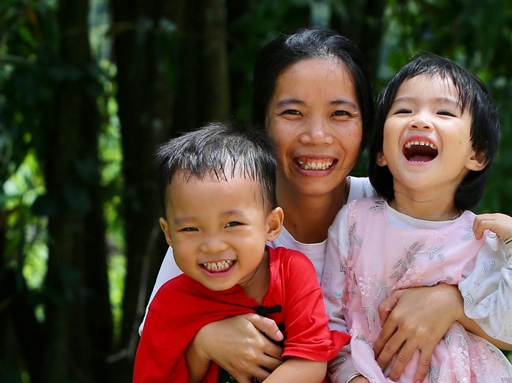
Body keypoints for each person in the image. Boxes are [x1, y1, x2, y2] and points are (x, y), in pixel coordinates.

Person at [143, 29, 512, 383]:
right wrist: (203, 341)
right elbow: (158, 348)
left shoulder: (397, 206)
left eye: (340, 114)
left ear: (367, 129)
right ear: (263, 124)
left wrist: (453, 304)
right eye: (292, 113)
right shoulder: (218, 225)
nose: (316, 135)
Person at [321, 53, 512, 383]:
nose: (419, 121)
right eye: (404, 110)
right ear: (382, 152)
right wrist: (352, 377)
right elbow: (330, 320)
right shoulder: (354, 222)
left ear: (477, 154)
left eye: (443, 111)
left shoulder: (480, 239)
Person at [133, 123, 350, 383]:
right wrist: (200, 350)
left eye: (232, 224)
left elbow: (311, 362)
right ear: (169, 234)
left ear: (271, 225)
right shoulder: (169, 305)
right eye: (191, 228)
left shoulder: (291, 273)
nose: (212, 245)